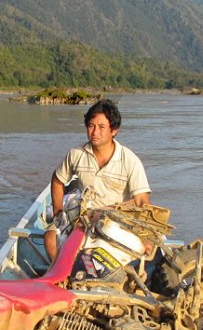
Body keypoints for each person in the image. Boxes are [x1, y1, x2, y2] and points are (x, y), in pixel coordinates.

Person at [44, 99, 151, 261]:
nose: (95, 132)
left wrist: (146, 236)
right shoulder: (76, 154)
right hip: (82, 218)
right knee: (50, 237)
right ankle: (61, 277)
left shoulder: (129, 160)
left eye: (102, 127)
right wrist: (58, 212)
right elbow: (57, 180)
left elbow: (142, 200)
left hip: (115, 220)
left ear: (114, 130)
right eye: (91, 126)